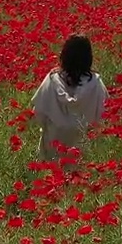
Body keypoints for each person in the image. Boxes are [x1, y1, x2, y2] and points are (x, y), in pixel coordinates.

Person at [30, 34, 108, 163]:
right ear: (88, 58)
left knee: (53, 177)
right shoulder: (96, 84)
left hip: (54, 142)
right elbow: (104, 114)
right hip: (83, 144)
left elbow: (39, 113)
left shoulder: (51, 81)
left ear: (64, 55)